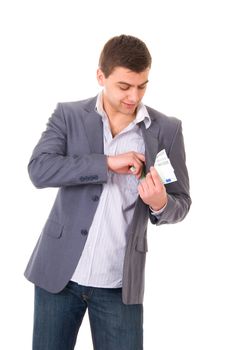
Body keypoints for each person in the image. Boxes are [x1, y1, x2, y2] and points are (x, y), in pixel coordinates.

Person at [25, 34, 191, 350]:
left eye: (142, 86)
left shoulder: (166, 129)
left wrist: (160, 203)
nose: (134, 96)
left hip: (119, 283)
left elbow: (181, 202)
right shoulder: (68, 115)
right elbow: (39, 170)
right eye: (124, 87)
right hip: (59, 275)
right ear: (101, 76)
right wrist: (106, 164)